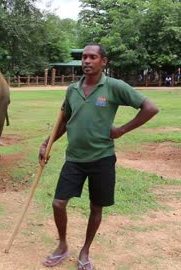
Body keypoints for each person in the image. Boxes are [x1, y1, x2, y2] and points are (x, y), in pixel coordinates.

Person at [38, 43, 159, 270]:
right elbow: (64, 120)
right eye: (84, 57)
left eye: (92, 57)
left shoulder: (113, 86)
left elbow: (150, 108)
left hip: (102, 159)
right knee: (58, 203)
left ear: (104, 62)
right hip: (74, 158)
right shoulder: (72, 90)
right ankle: (63, 245)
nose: (86, 61)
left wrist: (122, 130)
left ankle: (85, 251)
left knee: (96, 207)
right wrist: (47, 143)